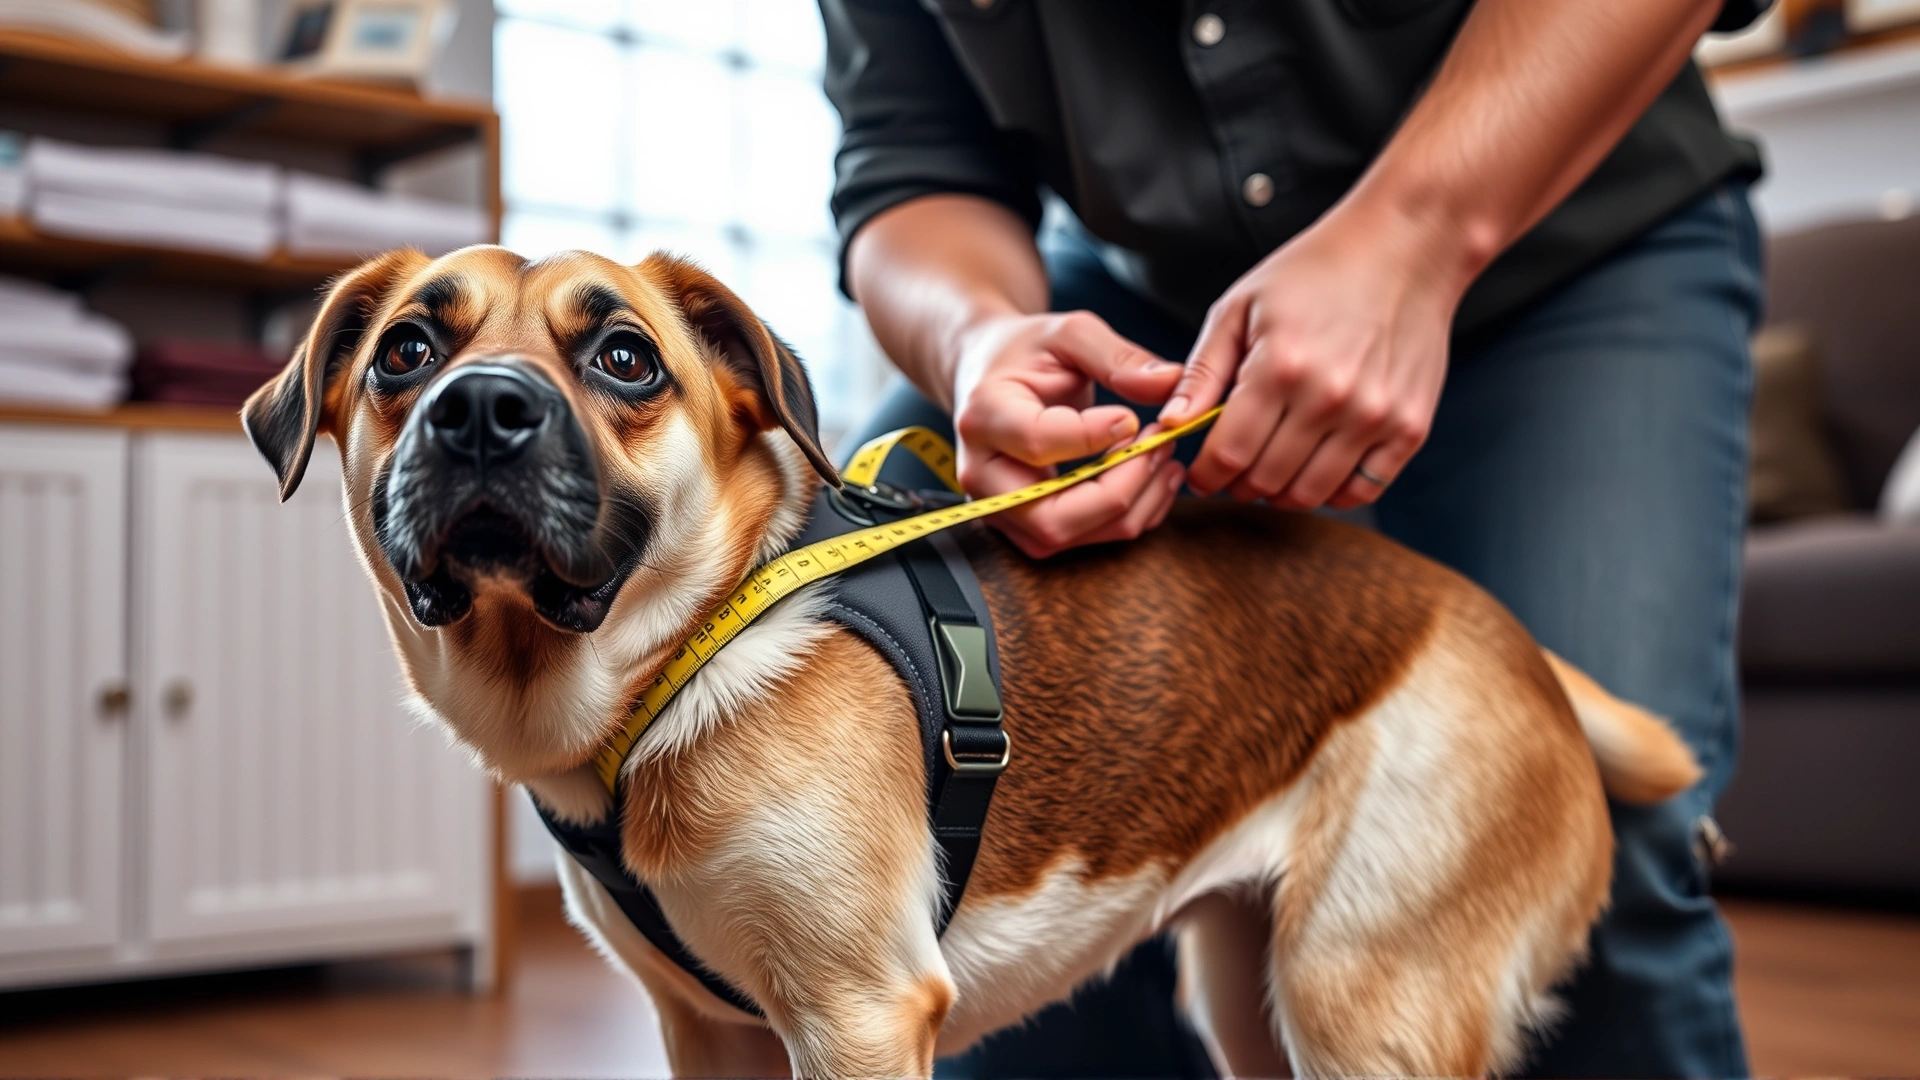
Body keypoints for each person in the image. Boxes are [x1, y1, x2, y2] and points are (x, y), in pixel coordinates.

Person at [819, 1, 1767, 1076]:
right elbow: (911, 155)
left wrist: (1413, 236)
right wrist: (977, 343)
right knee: (936, 775)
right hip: (1139, 307)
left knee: (1606, 844)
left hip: (1572, 235)